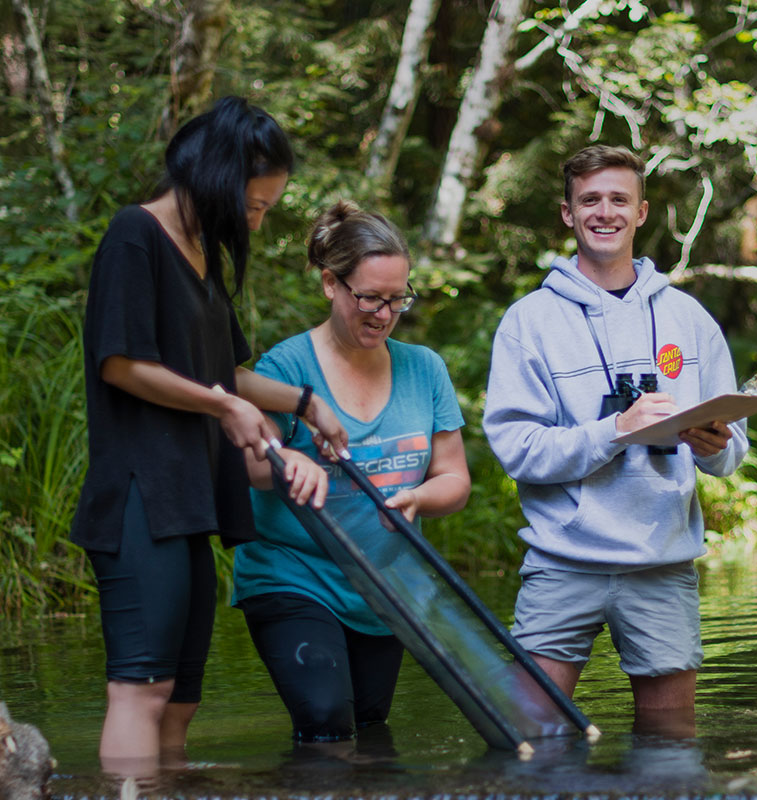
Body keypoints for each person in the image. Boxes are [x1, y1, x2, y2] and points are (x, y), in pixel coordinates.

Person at [70, 96, 343, 772]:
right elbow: (122, 363)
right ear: (216, 179)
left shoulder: (201, 256)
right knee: (141, 686)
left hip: (191, 495)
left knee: (182, 697)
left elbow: (227, 372)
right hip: (139, 493)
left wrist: (306, 401)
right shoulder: (135, 235)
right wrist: (222, 407)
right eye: (253, 205)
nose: (255, 220)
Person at [482, 144, 750, 724]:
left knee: (671, 746)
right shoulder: (530, 321)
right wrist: (613, 432)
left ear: (643, 212)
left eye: (618, 200)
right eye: (590, 200)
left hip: (662, 562)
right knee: (530, 737)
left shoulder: (688, 317)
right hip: (562, 560)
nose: (605, 212)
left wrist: (719, 446)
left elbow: (733, 452)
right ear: (568, 213)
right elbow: (516, 451)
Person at [232, 201, 471, 744]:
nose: (383, 314)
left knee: (369, 728)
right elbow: (247, 464)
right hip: (294, 572)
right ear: (329, 285)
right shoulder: (285, 368)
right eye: (369, 297)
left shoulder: (425, 368)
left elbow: (454, 479)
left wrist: (419, 499)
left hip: (384, 585)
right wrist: (287, 459)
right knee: (324, 722)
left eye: (396, 299)